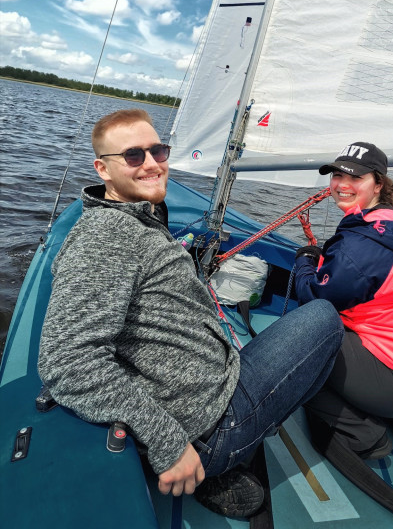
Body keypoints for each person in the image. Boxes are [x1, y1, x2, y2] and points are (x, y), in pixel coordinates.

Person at [38, 108, 343, 519]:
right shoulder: (108, 236)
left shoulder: (131, 220)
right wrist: (169, 443)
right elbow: (67, 363)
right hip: (210, 427)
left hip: (205, 393)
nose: (151, 164)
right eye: (133, 156)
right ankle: (235, 456)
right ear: (102, 169)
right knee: (324, 318)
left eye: (158, 151)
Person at [295, 141, 393, 460]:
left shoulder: (359, 251)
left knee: (300, 340)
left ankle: (364, 436)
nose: (342, 185)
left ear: (379, 183)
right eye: (337, 175)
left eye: (356, 178)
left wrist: (305, 262)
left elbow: (315, 296)